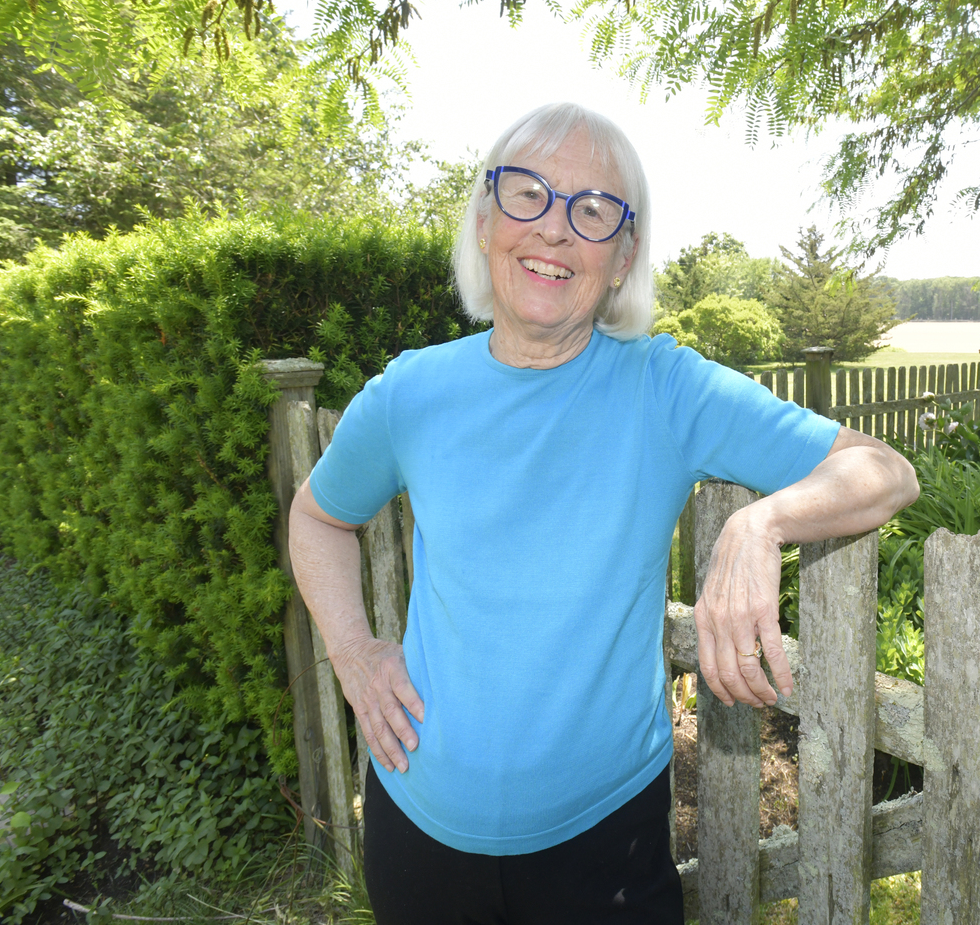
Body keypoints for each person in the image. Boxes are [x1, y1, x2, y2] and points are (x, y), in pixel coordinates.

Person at [288, 102, 919, 924]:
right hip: (418, 833)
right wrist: (353, 651)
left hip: (605, 848)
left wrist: (760, 524)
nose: (553, 229)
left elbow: (884, 470)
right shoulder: (411, 393)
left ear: (621, 257)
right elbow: (317, 516)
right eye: (527, 195)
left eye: (591, 210)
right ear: (485, 223)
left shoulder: (666, 388)